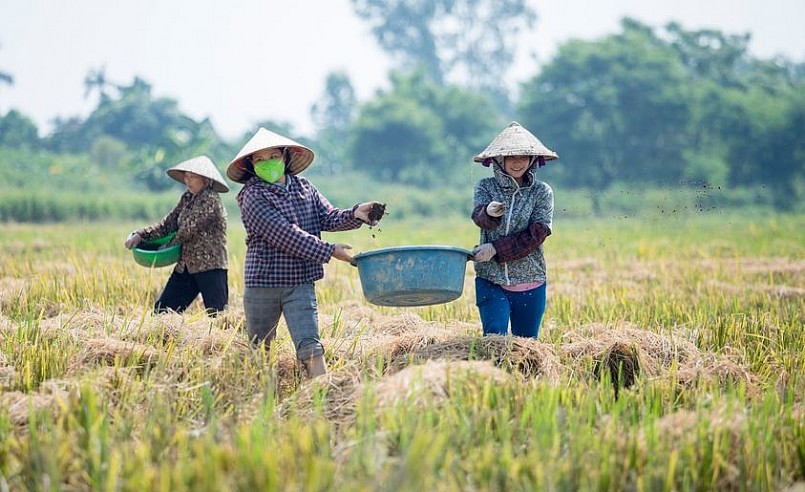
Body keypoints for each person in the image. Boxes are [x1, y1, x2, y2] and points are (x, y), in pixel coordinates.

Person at [227, 127, 384, 378]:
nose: (268, 163)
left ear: (285, 157)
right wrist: (330, 250)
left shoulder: (304, 188)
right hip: (263, 283)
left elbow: (328, 217)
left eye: (273, 157)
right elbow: (285, 234)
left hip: (299, 282)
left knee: (310, 346)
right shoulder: (252, 195)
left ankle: (322, 397)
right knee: (260, 351)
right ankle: (261, 400)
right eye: (260, 160)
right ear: (251, 166)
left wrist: (356, 213)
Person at [470, 122, 558, 339]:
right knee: (494, 340)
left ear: (532, 160)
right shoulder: (485, 187)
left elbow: (537, 235)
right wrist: (488, 213)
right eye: (510, 157)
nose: (517, 162)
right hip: (491, 279)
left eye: (523, 157)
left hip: (531, 279)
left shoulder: (541, 192)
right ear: (500, 160)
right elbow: (479, 219)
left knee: (526, 346)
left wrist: (495, 249)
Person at [124, 155, 230, 316]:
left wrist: (165, 246)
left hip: (210, 266)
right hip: (186, 265)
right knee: (162, 312)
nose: (188, 181)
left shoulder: (211, 199)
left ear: (206, 180)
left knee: (218, 316)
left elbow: (188, 229)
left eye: (193, 177)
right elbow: (168, 224)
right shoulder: (187, 198)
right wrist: (142, 235)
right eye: (186, 176)